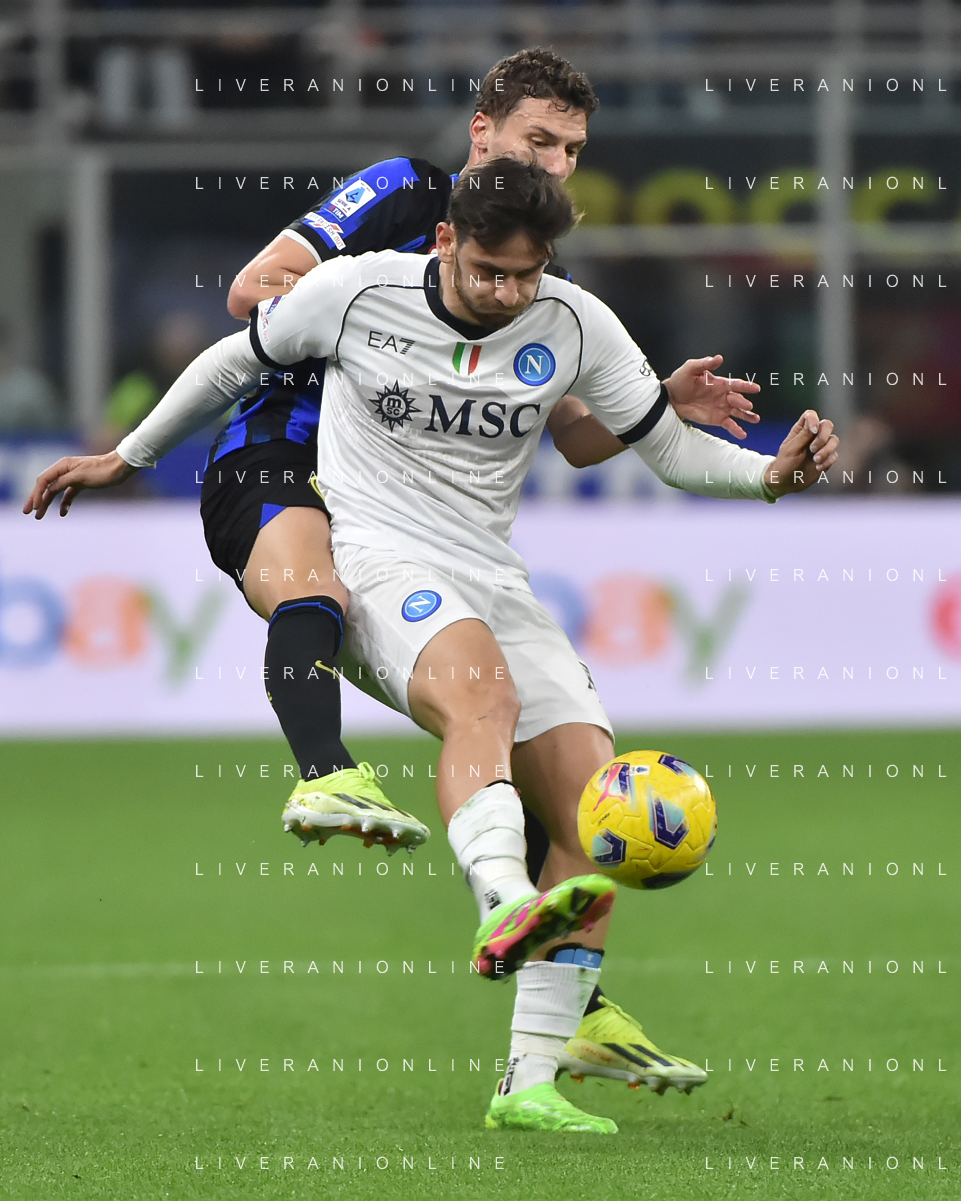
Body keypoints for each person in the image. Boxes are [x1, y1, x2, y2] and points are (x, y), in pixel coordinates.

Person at [34, 158, 838, 1132]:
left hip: (492, 572)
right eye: (490, 272)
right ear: (447, 241)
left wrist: (767, 476)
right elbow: (231, 361)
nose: (507, 294)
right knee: (482, 699)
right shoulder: (355, 291)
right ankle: (501, 898)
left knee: (587, 806)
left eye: (527, 275)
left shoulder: (574, 322)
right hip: (377, 555)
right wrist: (128, 456)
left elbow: (665, 445)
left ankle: (529, 1082)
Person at [24, 49, 759, 862]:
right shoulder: (405, 192)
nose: (555, 164)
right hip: (288, 436)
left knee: (515, 737)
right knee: (312, 586)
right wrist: (383, 323)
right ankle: (326, 775)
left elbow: (575, 439)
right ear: (481, 133)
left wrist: (654, 404)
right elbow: (250, 291)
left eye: (571, 150)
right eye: (539, 140)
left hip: (405, 492)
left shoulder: (533, 271)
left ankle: (526, 913)